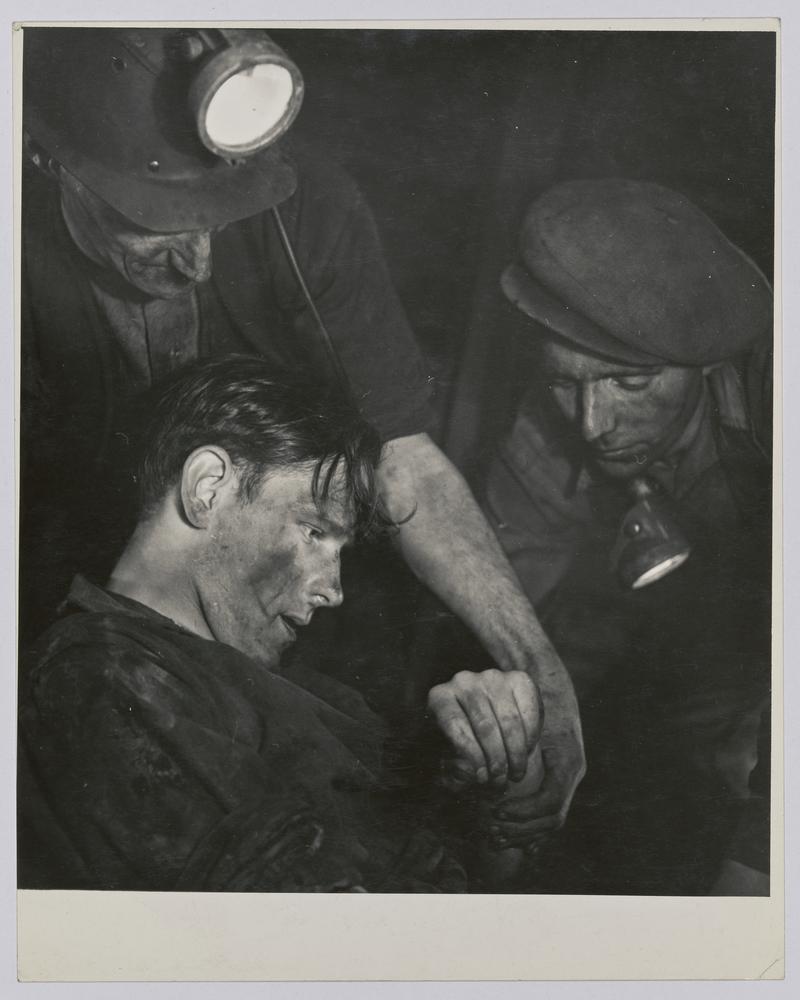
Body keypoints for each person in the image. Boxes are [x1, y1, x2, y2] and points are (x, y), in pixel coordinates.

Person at [20, 25, 583, 839]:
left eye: (214, 220)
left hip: (249, 602)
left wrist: (546, 678)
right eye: (154, 226)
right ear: (49, 163)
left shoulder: (305, 205)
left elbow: (405, 463)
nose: (199, 263)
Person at [18, 355, 545, 892]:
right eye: (315, 531)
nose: (334, 591)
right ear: (207, 488)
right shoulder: (100, 672)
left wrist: (498, 767)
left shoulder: (311, 694)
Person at [483, 178, 772, 892]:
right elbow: (516, 623)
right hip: (687, 641)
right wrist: (516, 772)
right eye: (564, 383)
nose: (591, 424)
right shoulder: (543, 436)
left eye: (630, 385)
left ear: (704, 365)